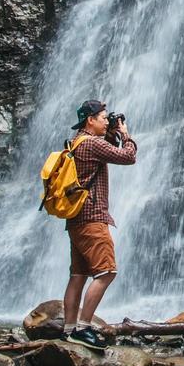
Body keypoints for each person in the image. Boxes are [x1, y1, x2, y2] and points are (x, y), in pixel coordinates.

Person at [61, 99, 137, 348]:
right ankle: (83, 327)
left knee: (78, 275)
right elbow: (128, 157)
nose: (107, 121)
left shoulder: (76, 143)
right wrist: (125, 135)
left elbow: (105, 152)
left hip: (76, 220)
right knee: (107, 272)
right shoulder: (92, 144)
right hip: (93, 219)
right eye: (104, 118)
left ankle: (68, 329)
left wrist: (111, 134)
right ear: (90, 120)